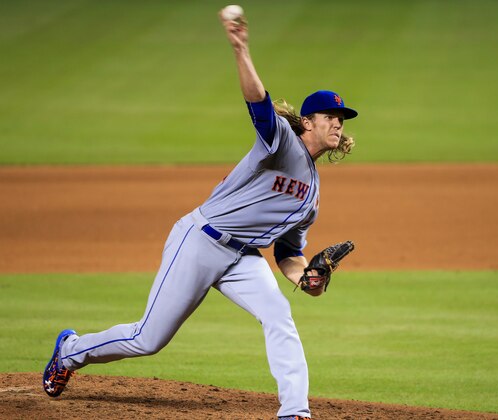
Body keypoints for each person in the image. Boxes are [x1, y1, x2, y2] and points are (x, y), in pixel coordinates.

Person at [42, 7, 358, 420]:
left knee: (280, 314)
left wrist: (307, 278)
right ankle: (69, 351)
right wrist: (241, 49)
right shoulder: (280, 141)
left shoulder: (312, 195)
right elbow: (257, 102)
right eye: (330, 117)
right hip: (200, 240)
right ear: (307, 123)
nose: (338, 124)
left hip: (242, 257)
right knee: (148, 339)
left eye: (341, 118)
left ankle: (294, 411)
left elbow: (287, 251)